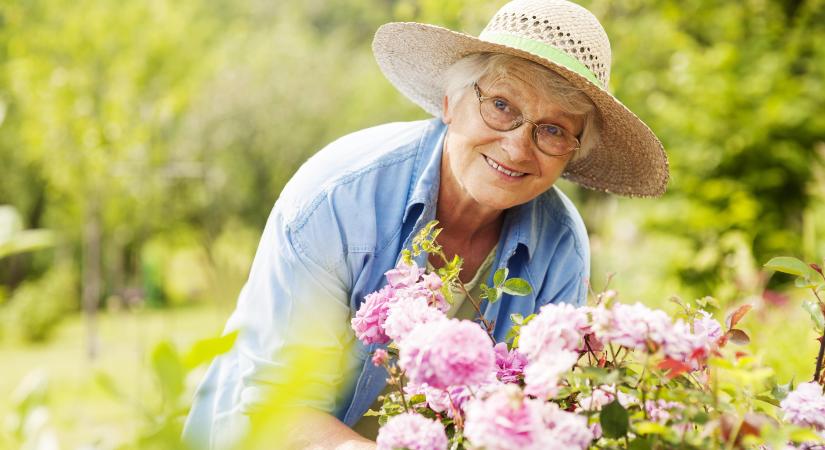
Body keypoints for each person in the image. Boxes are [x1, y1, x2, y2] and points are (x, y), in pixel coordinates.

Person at [183, 0, 668, 448]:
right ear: (451, 102)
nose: (519, 147)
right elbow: (281, 407)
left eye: (554, 130)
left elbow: (534, 411)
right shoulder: (339, 199)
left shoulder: (561, 245)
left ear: (573, 153)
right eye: (502, 105)